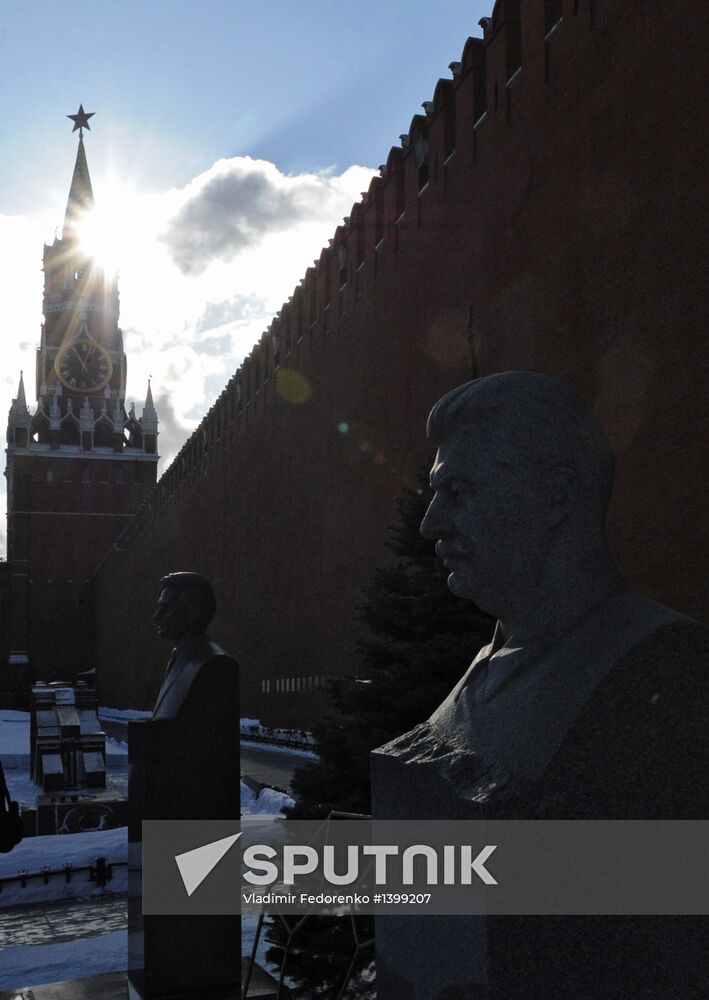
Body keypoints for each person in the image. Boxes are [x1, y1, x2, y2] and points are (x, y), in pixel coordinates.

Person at [372, 371, 708, 998]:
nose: (430, 523)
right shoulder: (487, 665)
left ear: (556, 495)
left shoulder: (664, 672)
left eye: (459, 491)